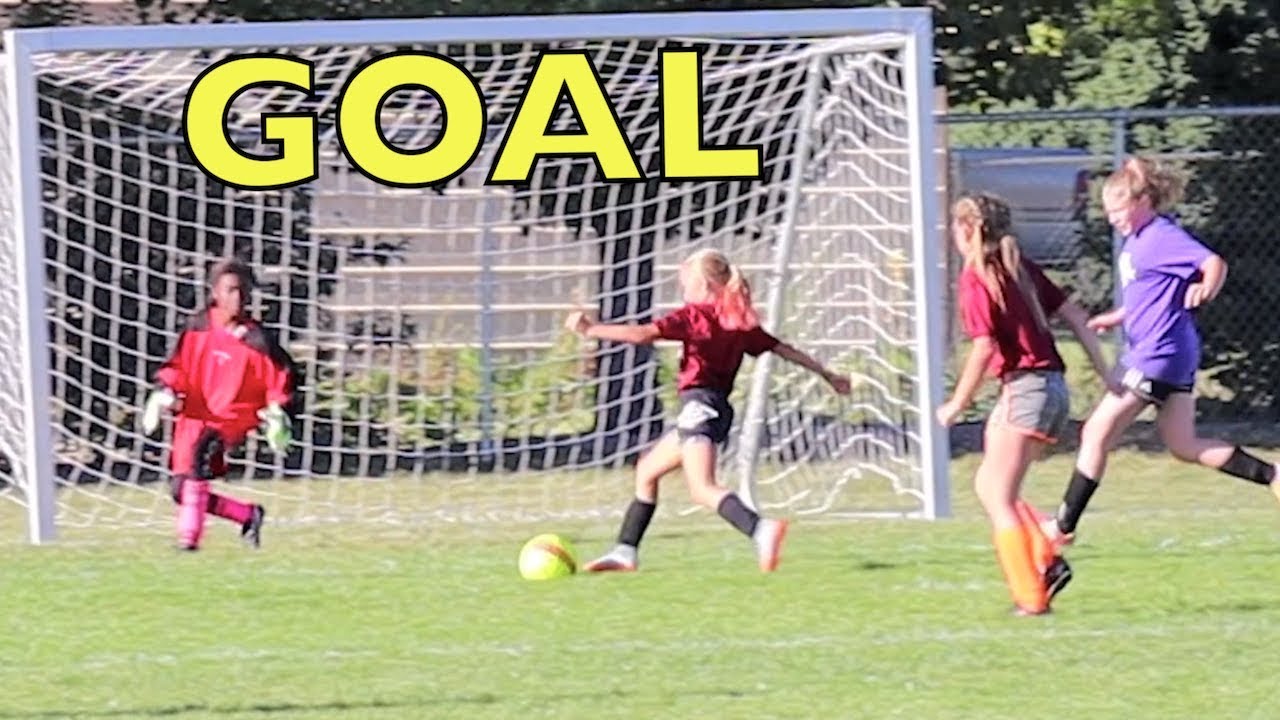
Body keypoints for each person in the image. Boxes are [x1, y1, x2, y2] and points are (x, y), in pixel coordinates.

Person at [1044, 156, 1280, 553]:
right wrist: (1118, 317)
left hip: (1159, 354)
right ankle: (1273, 476)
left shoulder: (1159, 235)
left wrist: (1207, 287)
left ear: (1141, 203)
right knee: (1183, 445)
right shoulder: (1137, 242)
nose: (1112, 219)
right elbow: (1153, 295)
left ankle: (1063, 527)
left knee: (1096, 432)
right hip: (1171, 352)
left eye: (1117, 210)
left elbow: (1213, 263)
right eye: (1107, 212)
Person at [565, 248, 851, 573]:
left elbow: (642, 334)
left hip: (700, 405)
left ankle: (761, 529)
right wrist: (828, 375)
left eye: (686, 282)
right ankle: (624, 552)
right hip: (711, 408)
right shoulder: (739, 323)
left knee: (702, 488)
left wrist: (591, 329)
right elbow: (785, 350)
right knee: (647, 471)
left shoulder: (695, 316)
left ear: (705, 285)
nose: (683, 290)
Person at [936, 192, 1115, 616]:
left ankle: (1032, 594)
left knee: (998, 498)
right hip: (1051, 387)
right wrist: (1106, 373)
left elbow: (982, 348)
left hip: (1026, 388)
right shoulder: (1022, 267)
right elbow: (1075, 316)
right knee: (990, 486)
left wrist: (956, 404)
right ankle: (1048, 560)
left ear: (966, 230)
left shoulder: (977, 276)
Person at [141, 257, 296, 551]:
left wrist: (278, 412)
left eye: (244, 292)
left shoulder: (257, 340)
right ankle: (248, 515)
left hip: (230, 419)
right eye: (232, 290)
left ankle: (188, 541)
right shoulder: (197, 327)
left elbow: (281, 380)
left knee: (203, 455)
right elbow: (177, 366)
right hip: (194, 415)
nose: (239, 298)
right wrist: (165, 390)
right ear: (216, 293)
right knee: (180, 490)